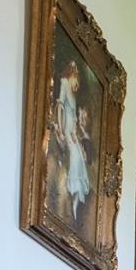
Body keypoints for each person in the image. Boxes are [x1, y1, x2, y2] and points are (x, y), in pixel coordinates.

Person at [55, 60, 91, 222]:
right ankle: (71, 194)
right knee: (75, 158)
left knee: (81, 160)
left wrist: (75, 133)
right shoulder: (64, 82)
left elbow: (75, 121)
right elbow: (60, 106)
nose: (77, 85)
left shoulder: (74, 96)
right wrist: (61, 129)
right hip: (66, 127)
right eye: (76, 81)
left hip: (72, 131)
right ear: (72, 76)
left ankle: (76, 202)